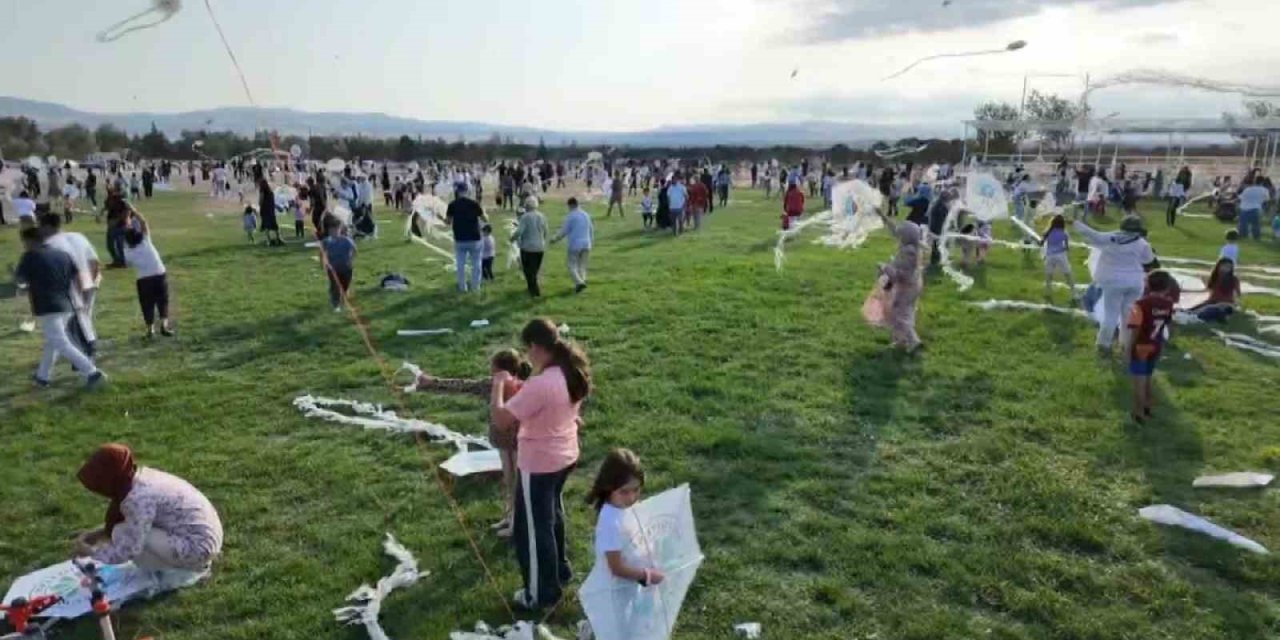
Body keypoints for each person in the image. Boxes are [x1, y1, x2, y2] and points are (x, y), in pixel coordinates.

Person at [490, 319, 591, 610]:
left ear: (535, 347)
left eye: (528, 349)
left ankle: (540, 595)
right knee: (552, 516)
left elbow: (501, 419)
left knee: (533, 530)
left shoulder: (543, 382)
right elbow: (547, 401)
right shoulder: (568, 371)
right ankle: (560, 571)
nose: (527, 356)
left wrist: (498, 385)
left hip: (540, 464)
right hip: (565, 457)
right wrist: (522, 388)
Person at [414, 350, 533, 538]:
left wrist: (432, 382)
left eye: (492, 368)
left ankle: (519, 524)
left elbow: (463, 386)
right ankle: (510, 516)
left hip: (521, 444)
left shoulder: (524, 387)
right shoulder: (491, 385)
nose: (490, 371)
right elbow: (464, 385)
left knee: (518, 485)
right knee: (509, 482)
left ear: (500, 369)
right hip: (504, 444)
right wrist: (432, 382)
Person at [74, 444, 223, 575]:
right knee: (121, 531)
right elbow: (137, 520)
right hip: (205, 536)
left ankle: (178, 570)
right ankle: (184, 563)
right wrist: (97, 534)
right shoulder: (140, 477)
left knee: (121, 533)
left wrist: (92, 554)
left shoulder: (137, 499)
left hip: (198, 548)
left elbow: (131, 548)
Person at [15, 228, 106, 388]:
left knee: (60, 342)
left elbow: (21, 281)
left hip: (48, 306)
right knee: (53, 342)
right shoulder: (63, 255)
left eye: (24, 242)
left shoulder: (29, 256)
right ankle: (42, 376)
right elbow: (77, 276)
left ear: (29, 241)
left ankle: (92, 372)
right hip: (67, 304)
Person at [585, 449, 664, 614]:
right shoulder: (610, 522)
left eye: (636, 490)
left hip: (629, 584)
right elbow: (616, 567)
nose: (631, 498)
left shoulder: (628, 509)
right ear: (608, 488)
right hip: (613, 592)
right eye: (624, 492)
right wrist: (647, 575)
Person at [1074, 215, 1156, 353]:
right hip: (1135, 282)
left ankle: (1104, 344)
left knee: (1111, 314)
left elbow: (1091, 234)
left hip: (1113, 282)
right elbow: (1149, 261)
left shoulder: (1109, 238)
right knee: (1128, 315)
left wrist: (1075, 223)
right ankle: (1125, 344)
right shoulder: (1142, 243)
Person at [39, 214, 101, 357]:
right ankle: (86, 349)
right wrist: (92, 280)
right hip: (88, 277)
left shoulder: (50, 244)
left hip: (70, 283)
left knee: (73, 320)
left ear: (47, 226)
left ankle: (85, 351)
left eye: (41, 227)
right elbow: (94, 261)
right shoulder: (78, 236)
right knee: (84, 315)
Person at [1124, 271, 1177, 423]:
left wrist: (1128, 349)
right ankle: (1147, 407)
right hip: (1156, 344)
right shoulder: (1168, 304)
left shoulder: (1140, 304)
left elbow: (1135, 329)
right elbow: (1170, 325)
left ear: (1147, 284)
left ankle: (1138, 413)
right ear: (1167, 287)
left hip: (1141, 345)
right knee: (1147, 377)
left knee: (1138, 381)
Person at [873, 213, 925, 352]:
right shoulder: (912, 244)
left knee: (899, 314)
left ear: (905, 237)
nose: (898, 236)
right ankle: (901, 340)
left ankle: (913, 341)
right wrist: (882, 215)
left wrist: (884, 267)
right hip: (912, 284)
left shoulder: (908, 252)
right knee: (907, 312)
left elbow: (899, 275)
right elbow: (895, 230)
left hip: (908, 286)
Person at [123, 211, 174, 338]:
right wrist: (132, 210)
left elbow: (127, 234)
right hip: (159, 273)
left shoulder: (128, 252)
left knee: (147, 304)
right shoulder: (146, 241)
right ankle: (164, 325)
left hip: (143, 279)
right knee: (163, 300)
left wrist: (126, 220)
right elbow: (144, 222)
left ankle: (150, 329)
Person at [446, 185, 487, 292]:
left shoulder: (452, 205)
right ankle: (475, 287)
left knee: (460, 264)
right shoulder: (474, 204)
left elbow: (448, 222)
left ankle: (462, 286)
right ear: (467, 191)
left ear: (457, 192)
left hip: (459, 238)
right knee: (476, 263)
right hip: (474, 237)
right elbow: (485, 219)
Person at [552, 198, 594, 294]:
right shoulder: (586, 214)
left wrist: (555, 239)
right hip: (586, 243)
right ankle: (581, 283)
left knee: (571, 265)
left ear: (570, 205)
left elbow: (564, 231)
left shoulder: (571, 216)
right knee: (582, 266)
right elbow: (591, 229)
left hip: (575, 244)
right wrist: (591, 241)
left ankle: (579, 283)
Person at [512, 196, 549, 297]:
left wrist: (513, 238)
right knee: (535, 269)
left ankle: (535, 291)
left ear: (527, 206)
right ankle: (531, 288)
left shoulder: (525, 217)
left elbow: (519, 231)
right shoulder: (542, 216)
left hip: (527, 248)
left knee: (528, 270)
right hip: (540, 247)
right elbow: (546, 231)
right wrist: (543, 241)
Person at [322, 216, 357, 312]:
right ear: (329, 231)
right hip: (333, 269)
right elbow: (322, 252)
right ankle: (336, 304)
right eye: (331, 230)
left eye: (335, 230)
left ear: (340, 229)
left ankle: (343, 298)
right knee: (335, 286)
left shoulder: (346, 240)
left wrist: (351, 260)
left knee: (345, 285)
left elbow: (354, 250)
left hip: (346, 268)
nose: (333, 232)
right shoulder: (326, 242)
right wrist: (324, 263)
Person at [1191, 258, 1241, 322]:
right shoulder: (1214, 277)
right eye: (1224, 266)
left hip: (1225, 304)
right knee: (1192, 310)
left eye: (1229, 267)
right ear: (1218, 266)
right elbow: (1208, 290)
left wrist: (1235, 305)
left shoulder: (1234, 279)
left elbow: (1237, 294)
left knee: (1206, 310)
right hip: (1211, 301)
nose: (1226, 269)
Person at [1040, 215, 1075, 298]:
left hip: (1050, 256)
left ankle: (1048, 292)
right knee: (1068, 274)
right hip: (1061, 255)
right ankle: (1074, 293)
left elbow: (1041, 243)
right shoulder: (1064, 233)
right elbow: (1066, 247)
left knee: (1049, 274)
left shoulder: (1048, 232)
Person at [257, 179, 282, 247]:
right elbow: (272, 201)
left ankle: (269, 240)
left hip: (265, 210)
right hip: (271, 210)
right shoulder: (270, 191)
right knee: (274, 225)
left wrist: (260, 205)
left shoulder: (262, 191)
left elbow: (260, 201)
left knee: (266, 226)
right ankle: (278, 238)